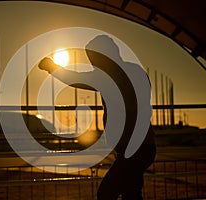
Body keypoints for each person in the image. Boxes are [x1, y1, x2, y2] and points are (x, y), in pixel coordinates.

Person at [38, 35, 156, 200]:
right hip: (144, 146)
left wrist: (51, 67)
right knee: (131, 194)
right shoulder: (135, 70)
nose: (93, 64)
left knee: (107, 194)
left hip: (133, 149)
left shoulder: (108, 76)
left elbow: (75, 78)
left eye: (94, 58)